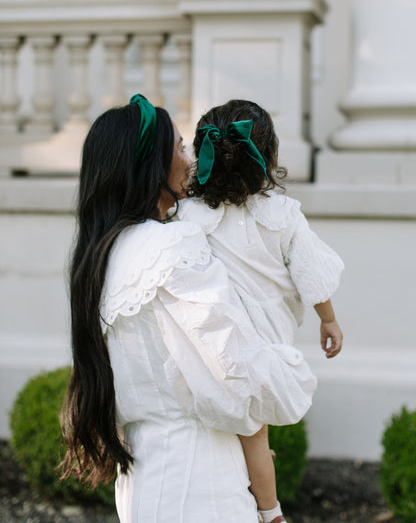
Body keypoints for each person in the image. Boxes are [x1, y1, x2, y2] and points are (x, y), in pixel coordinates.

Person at [60, 94, 318, 523]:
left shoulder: (102, 257)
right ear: (152, 167)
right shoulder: (172, 245)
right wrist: (290, 371)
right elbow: (234, 368)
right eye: (180, 148)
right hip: (199, 479)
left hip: (142, 476)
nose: (191, 159)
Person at [179, 99, 345, 523]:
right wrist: (328, 319)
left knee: (235, 427)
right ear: (267, 158)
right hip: (264, 346)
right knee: (254, 433)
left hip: (213, 340)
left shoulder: (187, 214)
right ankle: (270, 512)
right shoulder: (283, 215)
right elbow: (311, 273)